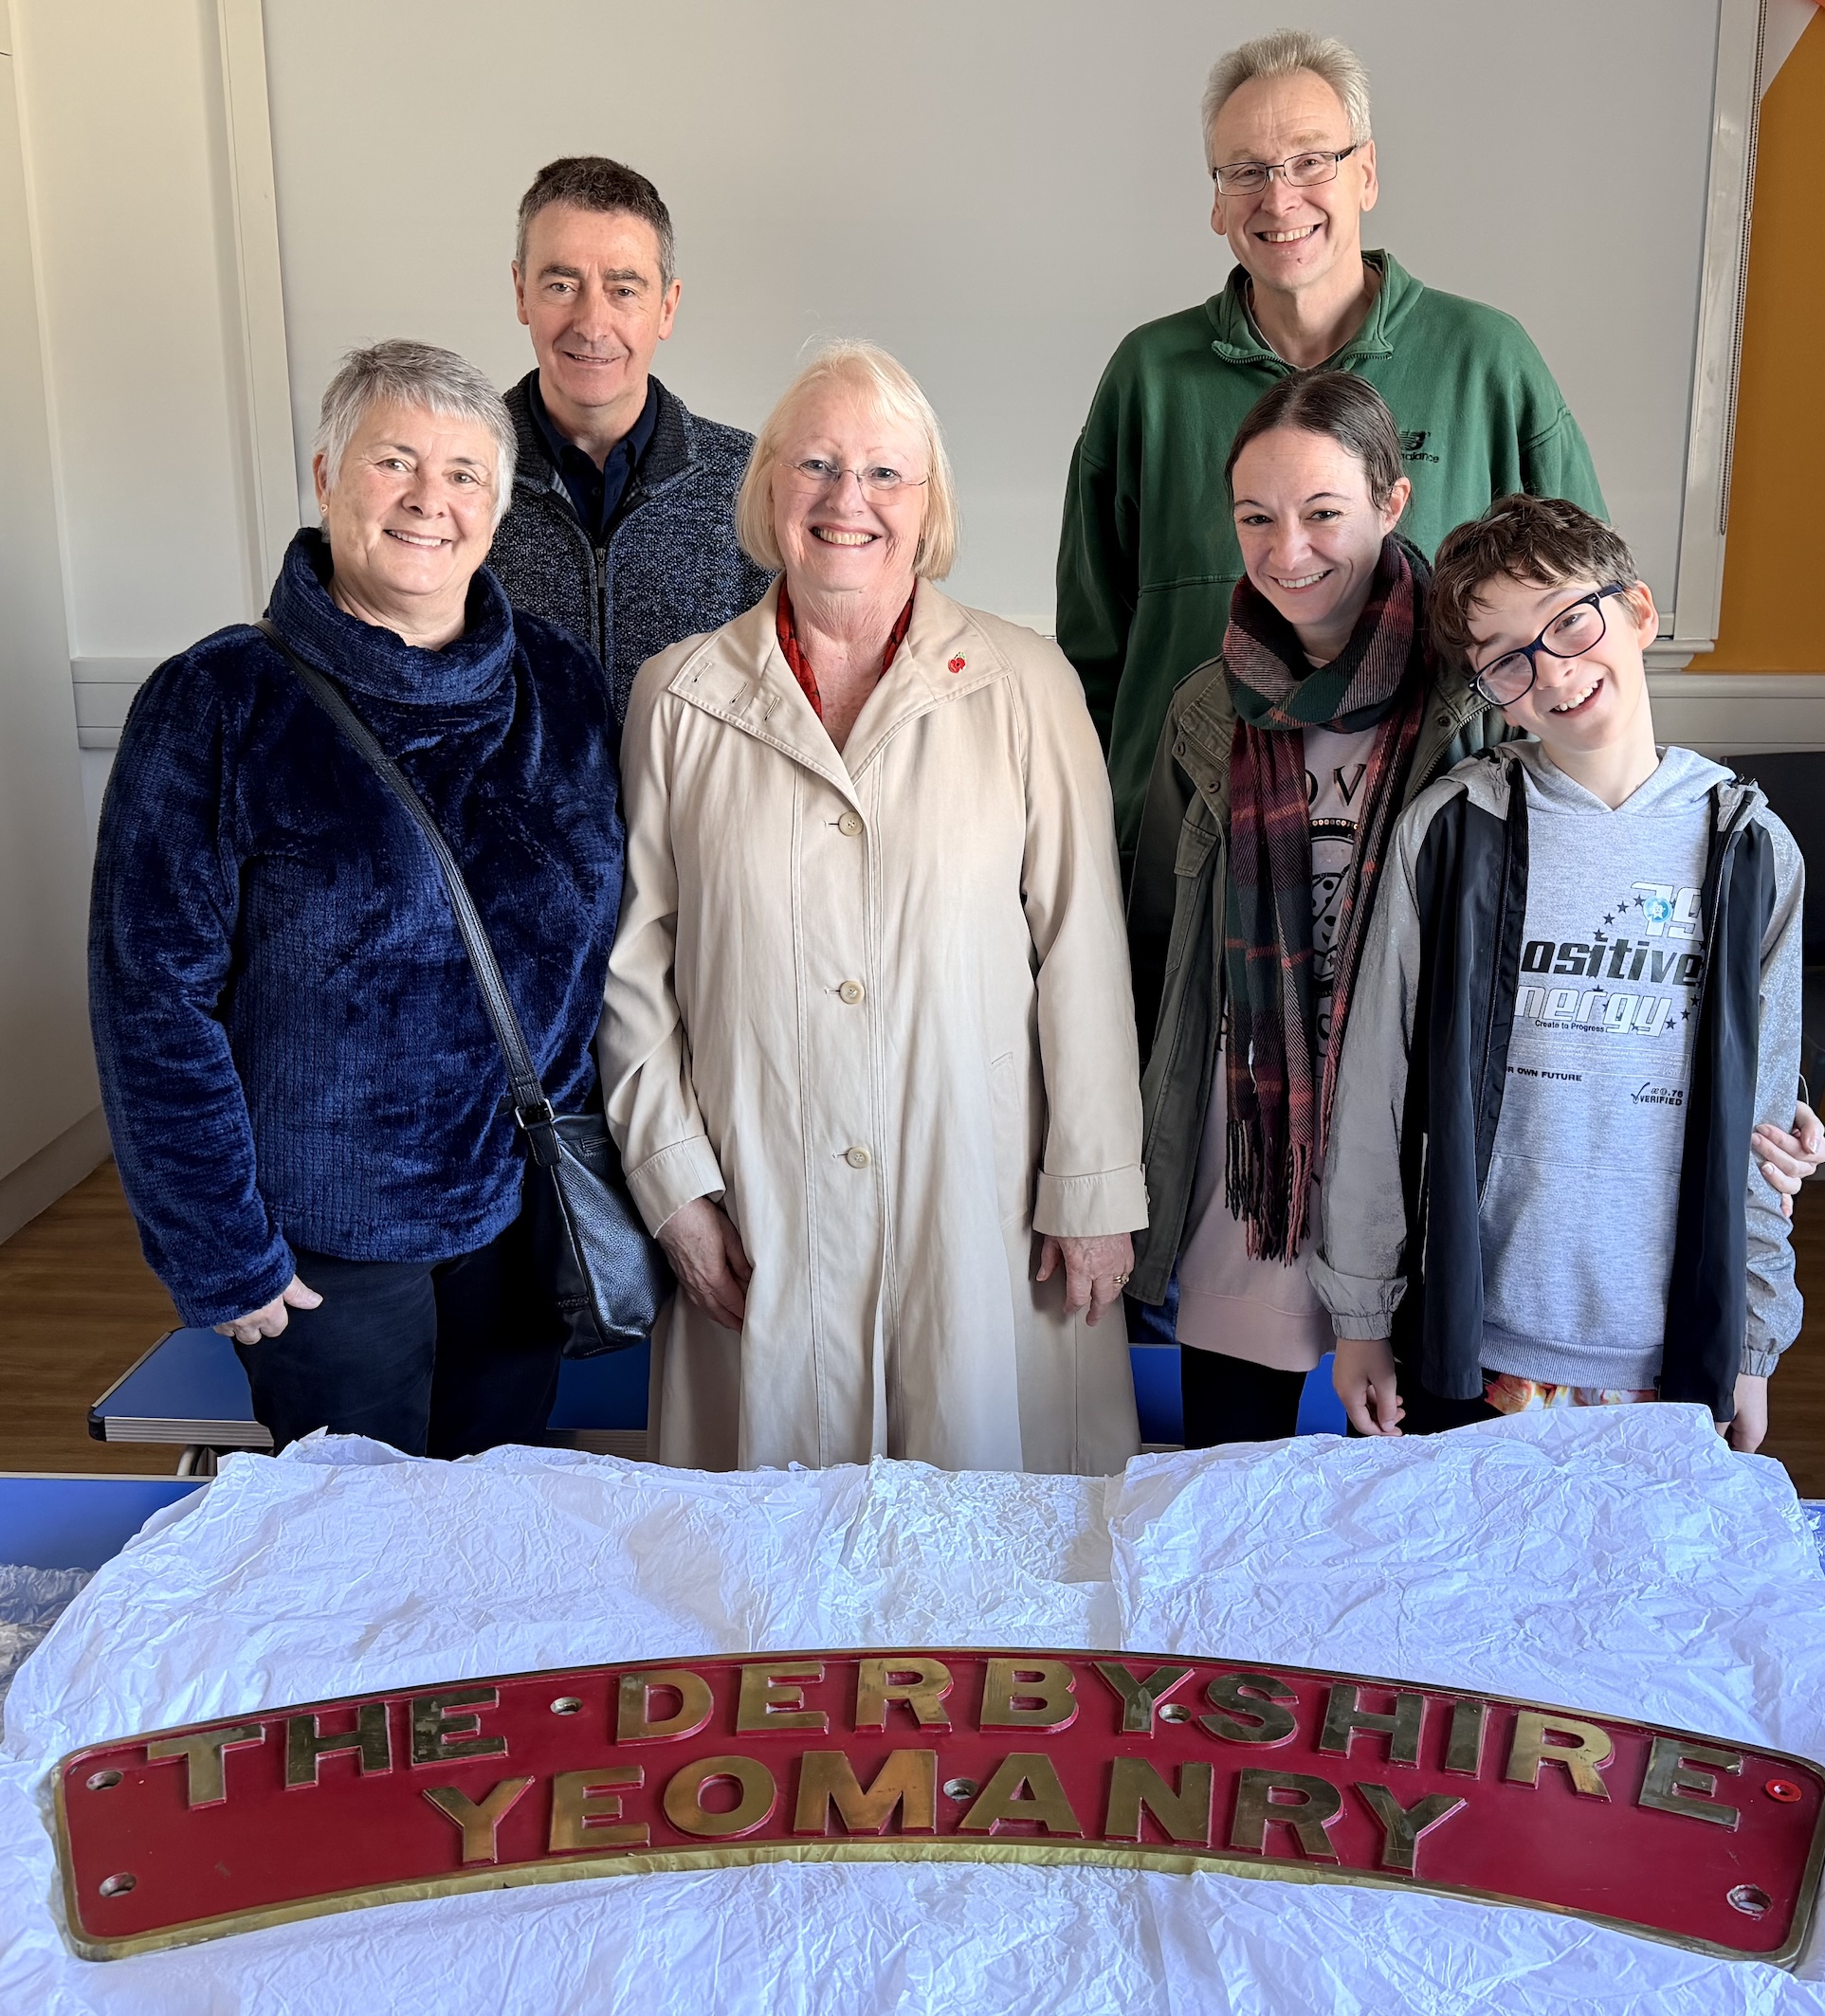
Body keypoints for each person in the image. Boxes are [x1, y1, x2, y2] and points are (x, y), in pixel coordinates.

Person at [597, 340, 1146, 1473]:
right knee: (770, 1584)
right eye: (815, 466)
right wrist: (674, 1190)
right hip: (756, 1205)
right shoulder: (677, 696)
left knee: (990, 1567)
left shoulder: (1028, 683)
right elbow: (631, 974)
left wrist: (1092, 1189)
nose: (849, 500)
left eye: (885, 473)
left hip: (982, 1205)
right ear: (766, 493)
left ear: (928, 502)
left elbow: (1084, 950)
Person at [89, 341, 626, 1459]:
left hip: (520, 1214)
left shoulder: (564, 688)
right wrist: (221, 1249)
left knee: (491, 1518)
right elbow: (150, 1002)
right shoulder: (218, 702)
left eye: (467, 473)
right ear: (329, 476)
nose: (432, 500)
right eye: (395, 461)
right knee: (352, 1559)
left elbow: (597, 956)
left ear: (499, 505)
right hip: (318, 1247)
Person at [1312, 495, 1803, 1452]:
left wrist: (1749, 1340)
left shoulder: (1749, 850)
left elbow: (1763, 1125)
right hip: (1478, 1342)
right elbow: (1373, 1091)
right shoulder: (1451, 835)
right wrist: (1360, 1315)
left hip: (1668, 1353)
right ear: (1485, 685)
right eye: (1506, 658)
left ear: (1639, 612)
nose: (1553, 670)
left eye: (1570, 621)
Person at [1057, 28, 1604, 870]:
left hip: (1440, 865)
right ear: (1215, 199)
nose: (1279, 200)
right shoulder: (1147, 379)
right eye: (1246, 171)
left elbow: (1586, 630)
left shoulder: (1488, 361)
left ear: (1368, 174)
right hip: (1199, 868)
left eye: (1312, 160)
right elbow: (1092, 654)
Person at [1127, 372, 1512, 1448]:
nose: (1285, 549)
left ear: (1391, 503)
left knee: (1412, 1485)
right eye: (1255, 517)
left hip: (1414, 1149)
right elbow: (1162, 937)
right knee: (1228, 1481)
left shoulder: (1471, 694)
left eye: (1321, 513)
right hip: (1247, 1152)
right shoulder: (1207, 705)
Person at [485, 156, 773, 723]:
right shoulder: (452, 478)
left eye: (624, 289)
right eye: (561, 285)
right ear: (521, 292)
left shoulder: (754, 480)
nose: (592, 324)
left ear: (667, 306)